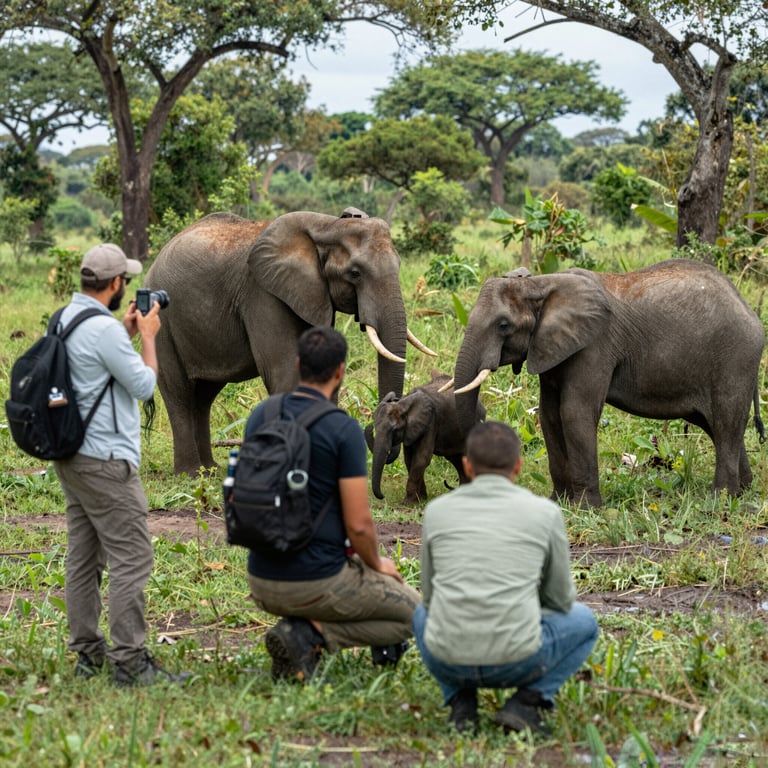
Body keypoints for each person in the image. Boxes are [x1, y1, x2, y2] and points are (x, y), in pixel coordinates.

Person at [244, 326, 420, 682]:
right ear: (340, 371)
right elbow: (358, 526)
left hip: (261, 578)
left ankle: (303, 628)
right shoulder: (343, 430)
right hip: (317, 582)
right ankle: (312, 635)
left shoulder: (261, 416)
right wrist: (377, 564)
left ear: (297, 364)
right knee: (418, 614)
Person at [52, 243, 189, 687]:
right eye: (125, 281)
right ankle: (130, 661)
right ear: (114, 285)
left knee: (83, 556)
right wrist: (148, 336)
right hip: (107, 461)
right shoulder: (105, 331)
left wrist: (126, 333)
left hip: (71, 456)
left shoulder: (66, 319)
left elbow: (88, 370)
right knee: (133, 555)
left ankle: (88, 654)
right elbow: (146, 386)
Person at [413, 421, 598, 735]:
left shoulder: (436, 511)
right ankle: (526, 703)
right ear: (518, 467)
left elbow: (429, 597)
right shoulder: (545, 513)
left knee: (419, 613)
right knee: (584, 621)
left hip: (449, 659)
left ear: (467, 466)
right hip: (519, 659)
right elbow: (561, 600)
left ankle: (461, 704)